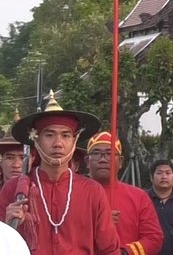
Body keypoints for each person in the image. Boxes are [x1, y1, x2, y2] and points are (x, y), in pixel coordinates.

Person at [0, 92, 119, 255]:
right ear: (36, 139)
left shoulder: (92, 191)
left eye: (65, 135)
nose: (58, 143)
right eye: (49, 135)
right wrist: (7, 228)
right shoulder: (13, 189)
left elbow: (110, 250)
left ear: (74, 140)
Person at [84, 131, 164, 255]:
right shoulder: (73, 196)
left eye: (109, 154)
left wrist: (124, 252)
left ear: (120, 162)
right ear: (87, 161)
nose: (103, 159)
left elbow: (154, 238)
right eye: (96, 153)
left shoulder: (139, 197)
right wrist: (95, 225)